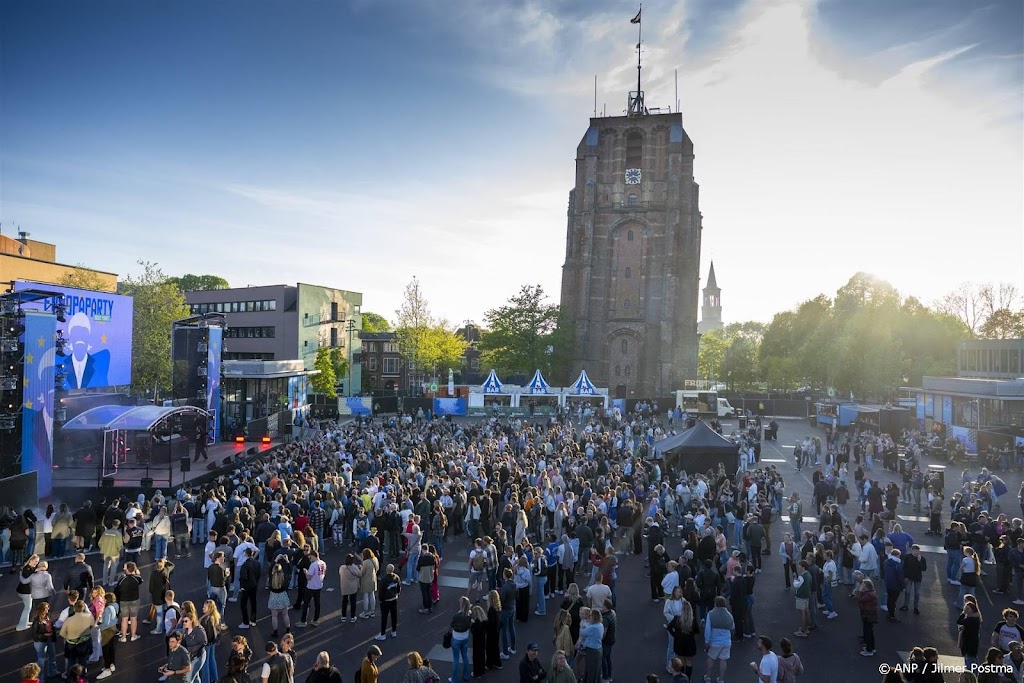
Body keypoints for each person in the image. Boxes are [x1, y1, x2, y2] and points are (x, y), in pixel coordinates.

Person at [704, 596, 734, 683]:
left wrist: (707, 641)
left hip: (715, 642)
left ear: (715, 604)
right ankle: (721, 679)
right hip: (726, 642)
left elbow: (707, 629)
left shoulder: (711, 614)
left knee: (711, 658)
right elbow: (732, 627)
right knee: (723, 660)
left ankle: (708, 677)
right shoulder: (729, 615)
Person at [116, 561, 143, 642]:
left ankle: (123, 637)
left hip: (124, 600)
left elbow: (118, 588)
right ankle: (133, 636)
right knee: (134, 618)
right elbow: (140, 580)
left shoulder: (122, 579)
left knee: (124, 619)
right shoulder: (137, 578)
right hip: (134, 600)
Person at [31, 602, 60, 680]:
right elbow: (34, 635)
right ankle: (40, 678)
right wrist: (44, 635)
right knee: (41, 660)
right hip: (40, 642)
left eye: (48, 608)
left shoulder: (48, 616)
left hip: (49, 640)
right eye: (45, 608)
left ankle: (52, 672)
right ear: (41, 610)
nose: (47, 610)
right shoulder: (36, 621)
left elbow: (52, 626)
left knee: (52, 656)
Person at [95, 593, 119, 680]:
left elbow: (106, 623)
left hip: (107, 630)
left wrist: (97, 626)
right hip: (113, 628)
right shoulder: (115, 606)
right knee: (111, 648)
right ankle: (112, 664)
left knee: (106, 649)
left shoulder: (108, 609)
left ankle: (107, 668)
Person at [450, 595, 473, 683]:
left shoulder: (457, 615)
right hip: (465, 637)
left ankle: (454, 679)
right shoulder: (469, 614)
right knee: (465, 657)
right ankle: (466, 675)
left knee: (456, 659)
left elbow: (452, 625)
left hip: (456, 638)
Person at [300, 549, 326, 627]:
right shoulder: (323, 563)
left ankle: (303, 621)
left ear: (313, 556)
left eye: (310, 557)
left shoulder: (313, 565)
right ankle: (315, 620)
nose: (310, 559)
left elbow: (309, 577)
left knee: (306, 604)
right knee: (317, 603)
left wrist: (305, 572)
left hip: (311, 586)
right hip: (319, 585)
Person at [578, 607, 604, 683]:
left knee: (590, 669)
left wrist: (582, 628)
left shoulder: (592, 627)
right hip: (599, 649)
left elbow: (582, 632)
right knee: (596, 669)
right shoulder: (600, 625)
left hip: (592, 651)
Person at [376, 563, 401, 640]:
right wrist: (397, 595)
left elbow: (381, 592)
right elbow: (398, 588)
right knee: (394, 616)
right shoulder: (397, 578)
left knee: (384, 617)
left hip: (386, 601)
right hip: (394, 599)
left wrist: (381, 600)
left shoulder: (383, 580)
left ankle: (383, 634)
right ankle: (394, 631)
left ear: (387, 570)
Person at [238, 547, 262, 629]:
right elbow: (259, 574)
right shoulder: (257, 563)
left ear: (245, 554)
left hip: (246, 587)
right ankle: (253, 620)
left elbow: (243, 576)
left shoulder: (245, 564)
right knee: (253, 603)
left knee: (243, 605)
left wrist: (242, 587)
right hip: (254, 585)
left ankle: (245, 622)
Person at [858, 578, 879, 657]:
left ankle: (869, 650)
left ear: (867, 586)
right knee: (870, 631)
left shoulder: (869, 595)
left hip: (868, 615)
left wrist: (860, 591)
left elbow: (860, 600)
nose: (861, 586)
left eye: (863, 585)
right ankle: (871, 647)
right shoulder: (871, 593)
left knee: (868, 632)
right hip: (870, 614)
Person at [958, 600, 982, 668]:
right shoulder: (975, 617)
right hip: (972, 640)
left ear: (972, 610)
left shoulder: (971, 619)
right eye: (965, 608)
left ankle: (969, 673)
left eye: (968, 608)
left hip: (969, 641)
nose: (966, 610)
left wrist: (963, 613)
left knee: (969, 658)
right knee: (972, 657)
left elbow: (959, 621)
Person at [471, 605, 488, 678]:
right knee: (482, 655)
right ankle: (482, 671)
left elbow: (474, 632)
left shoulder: (476, 622)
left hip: (477, 641)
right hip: (483, 640)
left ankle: (477, 673)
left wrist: (472, 625)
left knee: (476, 657)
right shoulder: (484, 621)